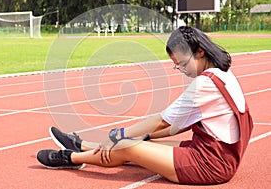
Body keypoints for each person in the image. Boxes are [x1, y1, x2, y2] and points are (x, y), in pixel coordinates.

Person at [37, 26, 253, 185]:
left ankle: (71, 157)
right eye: (177, 67)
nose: (183, 70)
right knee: (134, 142)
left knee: (125, 145)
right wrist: (144, 136)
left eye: (183, 64)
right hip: (213, 155)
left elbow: (161, 121)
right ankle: (82, 144)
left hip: (210, 165)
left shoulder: (205, 84)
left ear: (200, 52)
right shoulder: (223, 74)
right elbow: (180, 126)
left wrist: (119, 134)